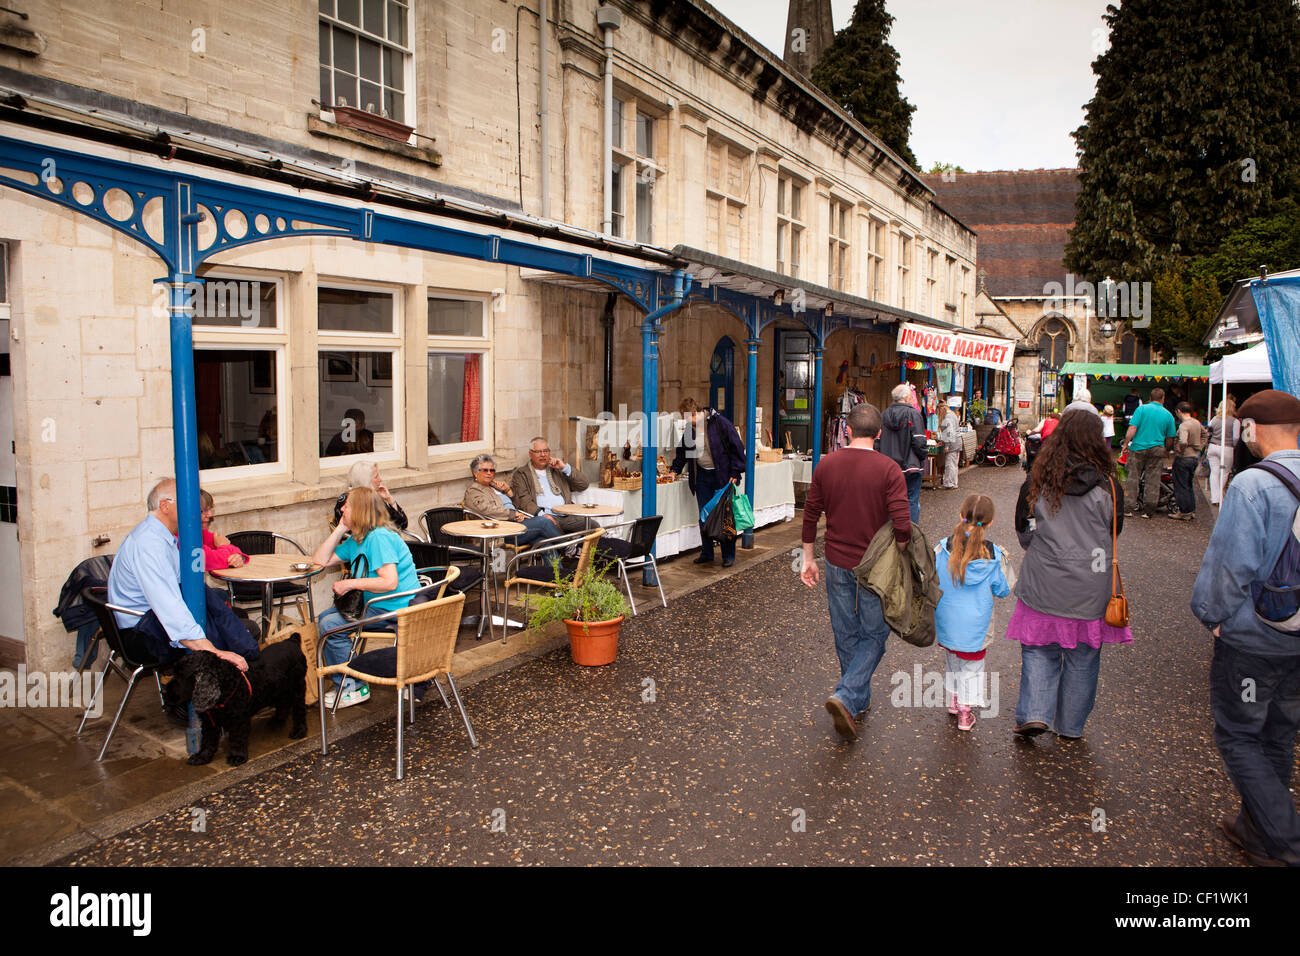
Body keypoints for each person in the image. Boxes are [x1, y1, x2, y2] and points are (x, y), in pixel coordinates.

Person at [1190, 389, 1300, 866]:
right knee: (1278, 734)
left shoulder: (1254, 485)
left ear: (1251, 430)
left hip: (1255, 638)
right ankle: (1256, 829)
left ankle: (1285, 839)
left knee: (1239, 734)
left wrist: (1211, 615)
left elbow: (1230, 566)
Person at [1008, 410, 1131, 739]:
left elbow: (1024, 531)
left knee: (1038, 648)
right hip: (1092, 581)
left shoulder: (1038, 480)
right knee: (1083, 656)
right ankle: (1071, 726)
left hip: (1043, 579)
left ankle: (1035, 712)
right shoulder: (1109, 486)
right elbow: (1114, 531)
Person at [800, 403, 912, 741]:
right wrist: (901, 556)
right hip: (876, 567)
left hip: (836, 560)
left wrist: (809, 558)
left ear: (847, 430)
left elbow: (810, 514)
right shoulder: (890, 469)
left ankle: (852, 699)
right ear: (880, 434)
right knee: (875, 635)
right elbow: (903, 525)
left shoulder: (827, 465)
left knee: (845, 632)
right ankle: (849, 696)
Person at [106, 478, 255, 671]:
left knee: (233, 619)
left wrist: (234, 553)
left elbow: (194, 568)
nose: (195, 509)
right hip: (143, 635)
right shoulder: (149, 545)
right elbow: (169, 607)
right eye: (187, 502)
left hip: (150, 622)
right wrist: (214, 651)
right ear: (164, 506)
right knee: (242, 631)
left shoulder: (161, 537)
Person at [312, 486, 421, 709]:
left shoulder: (379, 537)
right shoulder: (359, 538)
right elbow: (320, 561)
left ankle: (353, 686)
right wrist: (340, 528)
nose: (342, 507)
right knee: (325, 619)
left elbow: (389, 582)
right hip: (376, 605)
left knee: (331, 626)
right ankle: (348, 680)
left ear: (361, 510)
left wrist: (350, 583)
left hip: (397, 608)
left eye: (348, 505)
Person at [935, 494, 1013, 732]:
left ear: (961, 515)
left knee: (953, 659)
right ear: (989, 523)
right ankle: (965, 714)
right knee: (972, 667)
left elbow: (930, 578)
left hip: (947, 619)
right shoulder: (994, 555)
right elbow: (1004, 590)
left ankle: (953, 700)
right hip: (976, 625)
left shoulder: (941, 547)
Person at [671, 397, 746, 568]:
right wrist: (675, 469)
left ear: (696, 412)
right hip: (702, 477)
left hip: (722, 477)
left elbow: (737, 447)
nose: (687, 421)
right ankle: (707, 552)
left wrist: (735, 471)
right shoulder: (689, 430)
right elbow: (682, 452)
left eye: (688, 417)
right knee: (704, 515)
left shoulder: (720, 423)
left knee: (724, 516)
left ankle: (728, 555)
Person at [463, 454, 565, 547]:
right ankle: (569, 547)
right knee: (543, 522)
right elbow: (486, 510)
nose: (489, 473)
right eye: (485, 470)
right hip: (502, 532)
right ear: (476, 473)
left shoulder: (495, 487)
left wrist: (507, 491)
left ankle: (556, 568)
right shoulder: (474, 491)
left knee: (542, 543)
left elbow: (517, 505)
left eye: (492, 470)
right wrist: (514, 515)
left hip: (517, 524)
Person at [510, 436, 591, 533]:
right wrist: (542, 515)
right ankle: (570, 547)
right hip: (544, 517)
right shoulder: (521, 474)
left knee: (593, 526)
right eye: (538, 452)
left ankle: (582, 548)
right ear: (530, 454)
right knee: (554, 530)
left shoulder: (557, 469)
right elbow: (524, 500)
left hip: (566, 515)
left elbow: (583, 484)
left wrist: (564, 467)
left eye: (546, 451)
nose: (543, 455)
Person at [1122, 387, 1176, 518]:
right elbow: (1170, 438)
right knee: (1153, 479)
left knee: (1132, 478)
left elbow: (1132, 428)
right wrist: (1167, 450)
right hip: (1157, 449)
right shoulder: (1168, 415)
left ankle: (1128, 508)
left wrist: (1125, 444)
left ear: (1150, 398)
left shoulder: (1141, 409)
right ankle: (1149, 510)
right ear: (1163, 399)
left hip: (1137, 448)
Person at [878, 383, 927, 524]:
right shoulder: (913, 414)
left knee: (891, 500)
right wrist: (922, 456)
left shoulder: (884, 415)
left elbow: (878, 441)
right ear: (906, 398)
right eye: (911, 396)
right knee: (911, 500)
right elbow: (919, 441)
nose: (913, 399)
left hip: (888, 467)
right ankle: (910, 533)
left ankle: (889, 533)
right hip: (910, 466)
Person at [332, 460, 407, 531]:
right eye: (376, 476)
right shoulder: (349, 501)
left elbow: (403, 523)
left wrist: (389, 499)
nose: (380, 479)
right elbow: (400, 524)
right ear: (365, 480)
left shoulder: (373, 497)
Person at [1170, 401, 1204, 521]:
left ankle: (1184, 511)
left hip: (1184, 458)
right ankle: (1191, 509)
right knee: (1188, 484)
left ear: (1179, 411)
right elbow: (1205, 434)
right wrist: (1199, 446)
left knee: (1181, 485)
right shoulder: (1196, 422)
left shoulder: (1184, 425)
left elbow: (1183, 441)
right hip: (1194, 457)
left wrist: (1180, 450)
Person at [1206, 400, 1240, 506]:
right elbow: (1236, 437)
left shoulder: (1214, 419)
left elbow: (1208, 433)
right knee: (1224, 472)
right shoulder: (1235, 421)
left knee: (1214, 472)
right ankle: (1220, 496)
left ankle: (1214, 498)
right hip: (1227, 448)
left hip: (1213, 447)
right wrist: (1233, 445)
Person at [939, 403, 961, 489]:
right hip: (957, 442)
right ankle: (954, 483)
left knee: (950, 464)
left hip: (952, 443)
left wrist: (946, 444)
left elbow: (949, 432)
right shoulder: (953, 415)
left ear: (942, 409)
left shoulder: (948, 417)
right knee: (954, 464)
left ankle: (949, 483)